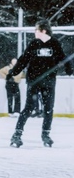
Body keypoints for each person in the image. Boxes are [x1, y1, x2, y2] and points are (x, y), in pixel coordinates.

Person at [7, 19, 72, 148]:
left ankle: (45, 134)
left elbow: (63, 58)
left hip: (49, 82)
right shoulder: (34, 44)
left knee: (48, 109)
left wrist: (69, 69)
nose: (34, 32)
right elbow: (23, 59)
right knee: (28, 108)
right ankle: (17, 134)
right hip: (34, 81)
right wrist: (13, 72)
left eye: (36, 29)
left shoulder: (54, 44)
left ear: (43, 30)